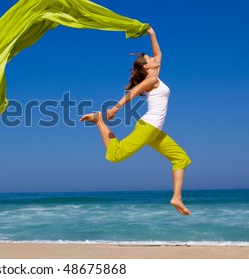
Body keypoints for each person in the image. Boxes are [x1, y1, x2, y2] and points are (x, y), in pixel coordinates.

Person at [79, 27, 192, 215]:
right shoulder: (151, 79)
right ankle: (99, 120)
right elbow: (132, 92)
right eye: (150, 59)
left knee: (181, 158)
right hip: (147, 126)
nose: (154, 59)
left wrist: (151, 33)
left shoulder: (155, 75)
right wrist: (115, 108)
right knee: (116, 155)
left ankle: (176, 198)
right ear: (147, 66)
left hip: (154, 130)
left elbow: (159, 53)